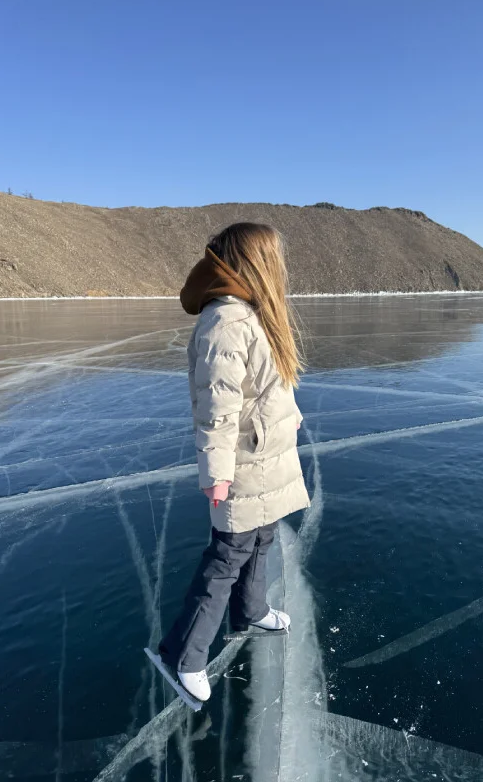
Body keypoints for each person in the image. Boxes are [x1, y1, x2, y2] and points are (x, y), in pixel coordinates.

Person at [158, 222, 310, 705]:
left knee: (261, 537)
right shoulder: (225, 322)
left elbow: (269, 388)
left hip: (267, 455)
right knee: (227, 555)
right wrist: (216, 472)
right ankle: (183, 654)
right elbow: (217, 405)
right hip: (243, 463)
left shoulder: (252, 315)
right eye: (274, 256)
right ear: (256, 261)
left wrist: (292, 420)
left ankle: (251, 610)